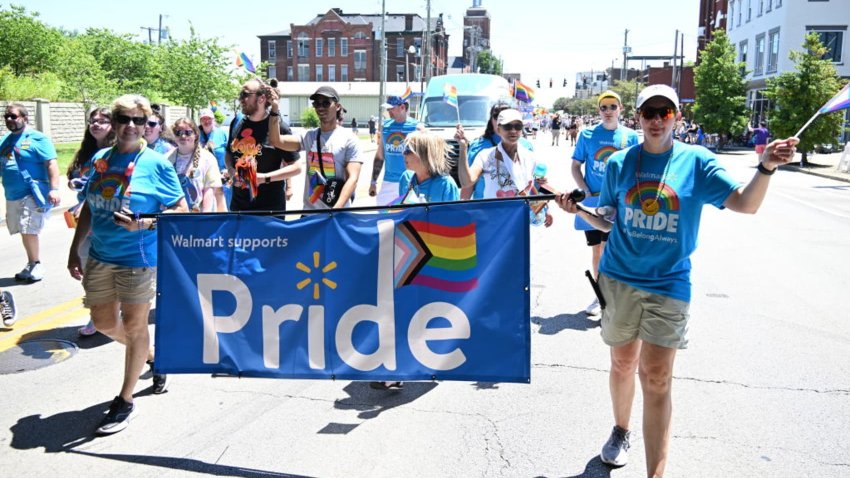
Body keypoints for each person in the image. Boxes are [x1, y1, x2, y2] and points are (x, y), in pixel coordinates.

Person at [556, 84, 799, 476]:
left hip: (669, 283)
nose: (655, 120)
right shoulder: (620, 163)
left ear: (677, 118)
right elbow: (609, 221)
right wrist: (578, 211)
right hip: (618, 278)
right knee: (622, 363)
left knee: (656, 376)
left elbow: (746, 204)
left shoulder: (697, 162)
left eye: (664, 113)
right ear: (638, 118)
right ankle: (621, 429)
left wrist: (766, 167)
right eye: (648, 113)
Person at [67, 94, 188, 435]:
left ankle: (125, 399)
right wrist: (75, 248)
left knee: (134, 325)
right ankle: (152, 356)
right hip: (101, 255)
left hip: (139, 257)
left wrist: (145, 222)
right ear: (115, 123)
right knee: (104, 323)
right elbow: (90, 206)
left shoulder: (157, 164)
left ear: (149, 126)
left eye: (141, 121)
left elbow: (181, 211)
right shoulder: (102, 159)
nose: (132, 127)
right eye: (125, 120)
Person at [571, 90, 639, 316]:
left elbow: (635, 169)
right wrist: (584, 188)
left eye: (612, 107)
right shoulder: (587, 135)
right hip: (592, 204)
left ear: (620, 109)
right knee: (597, 251)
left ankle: (613, 296)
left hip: (617, 205)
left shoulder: (629, 136)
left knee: (612, 250)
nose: (608, 111)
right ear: (598, 110)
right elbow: (575, 165)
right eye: (604, 107)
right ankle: (600, 294)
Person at [457, 108, 553, 227]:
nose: (513, 131)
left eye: (517, 126)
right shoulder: (485, 155)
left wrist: (545, 209)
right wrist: (463, 148)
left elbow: (531, 187)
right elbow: (467, 182)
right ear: (498, 129)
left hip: (518, 222)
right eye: (507, 126)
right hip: (491, 221)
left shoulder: (530, 157)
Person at [67, 107, 116, 337]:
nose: (96, 124)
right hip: (86, 221)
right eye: (92, 121)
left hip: (109, 222)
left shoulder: (117, 152)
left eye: (102, 121)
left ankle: (114, 313)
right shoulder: (85, 152)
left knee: (112, 271)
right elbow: (75, 177)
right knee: (88, 270)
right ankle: (97, 315)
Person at [2, 103, 61, 283]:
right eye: (6, 117)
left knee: (29, 228)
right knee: (22, 229)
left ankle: (36, 264)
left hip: (33, 192)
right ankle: (31, 263)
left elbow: (51, 164)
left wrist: (55, 189)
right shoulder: (4, 141)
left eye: (13, 116)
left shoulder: (38, 139)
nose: (9, 120)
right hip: (12, 193)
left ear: (25, 118)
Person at [226, 78, 301, 212]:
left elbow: (296, 167)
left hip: (269, 209)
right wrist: (232, 172)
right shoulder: (236, 122)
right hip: (239, 206)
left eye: (245, 95)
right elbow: (228, 154)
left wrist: (264, 178)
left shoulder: (278, 127)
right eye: (240, 95)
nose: (241, 99)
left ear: (261, 99)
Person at [298, 86, 362, 210]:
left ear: (337, 106)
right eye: (317, 104)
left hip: (336, 213)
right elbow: (276, 141)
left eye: (326, 103)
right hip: (309, 213)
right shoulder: (310, 136)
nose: (321, 107)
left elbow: (352, 179)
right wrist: (274, 108)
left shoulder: (349, 139)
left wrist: (335, 210)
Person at [464, 102, 535, 200]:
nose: (513, 130)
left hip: (518, 210)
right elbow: (468, 184)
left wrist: (543, 210)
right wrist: (464, 210)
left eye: (517, 125)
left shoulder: (527, 147)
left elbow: (532, 183)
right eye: (496, 115)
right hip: (485, 208)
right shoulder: (478, 147)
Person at [369, 95, 419, 206]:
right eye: (387, 108)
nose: (388, 111)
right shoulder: (385, 127)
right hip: (389, 181)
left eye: (391, 108)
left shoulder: (417, 127)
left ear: (402, 107)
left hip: (410, 181)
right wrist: (373, 182)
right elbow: (380, 156)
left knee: (408, 219)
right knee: (383, 218)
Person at [168, 118, 225, 212]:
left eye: (188, 132)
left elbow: (209, 190)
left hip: (200, 215)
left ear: (196, 135)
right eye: (178, 132)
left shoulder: (208, 159)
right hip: (174, 215)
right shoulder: (166, 159)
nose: (183, 135)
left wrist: (204, 217)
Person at [198, 108, 230, 211]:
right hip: (204, 181)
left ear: (213, 120)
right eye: (204, 119)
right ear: (200, 121)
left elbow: (232, 152)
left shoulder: (223, 134)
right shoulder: (196, 135)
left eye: (209, 119)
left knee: (224, 208)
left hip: (223, 178)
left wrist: (229, 169)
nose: (206, 121)